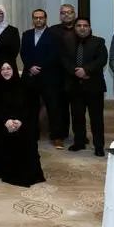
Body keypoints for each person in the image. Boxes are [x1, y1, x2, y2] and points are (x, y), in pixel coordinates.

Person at [0, 60, 45, 187]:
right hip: (1, 123)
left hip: (21, 121)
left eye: (8, 68)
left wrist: (19, 121)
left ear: (13, 70)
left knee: (26, 135)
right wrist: (6, 121)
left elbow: (29, 108)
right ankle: (5, 170)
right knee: (4, 134)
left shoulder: (23, 85)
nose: (6, 71)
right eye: (3, 69)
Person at [60, 17, 108, 156]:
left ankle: (99, 146)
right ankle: (79, 142)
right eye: (79, 25)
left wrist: (86, 70)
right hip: (74, 87)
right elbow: (63, 59)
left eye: (85, 25)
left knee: (96, 118)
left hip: (94, 87)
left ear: (90, 27)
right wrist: (76, 72)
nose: (82, 28)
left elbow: (101, 60)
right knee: (77, 117)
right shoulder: (67, 41)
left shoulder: (99, 42)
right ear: (75, 27)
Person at [21, 9, 64, 147]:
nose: (38, 20)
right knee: (31, 108)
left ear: (46, 19)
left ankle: (57, 136)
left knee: (53, 108)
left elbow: (54, 55)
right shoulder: (26, 34)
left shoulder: (54, 35)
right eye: (35, 18)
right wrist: (30, 67)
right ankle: (32, 134)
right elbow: (23, 53)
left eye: (41, 18)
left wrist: (39, 67)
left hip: (49, 77)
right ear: (32, 19)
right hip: (31, 77)